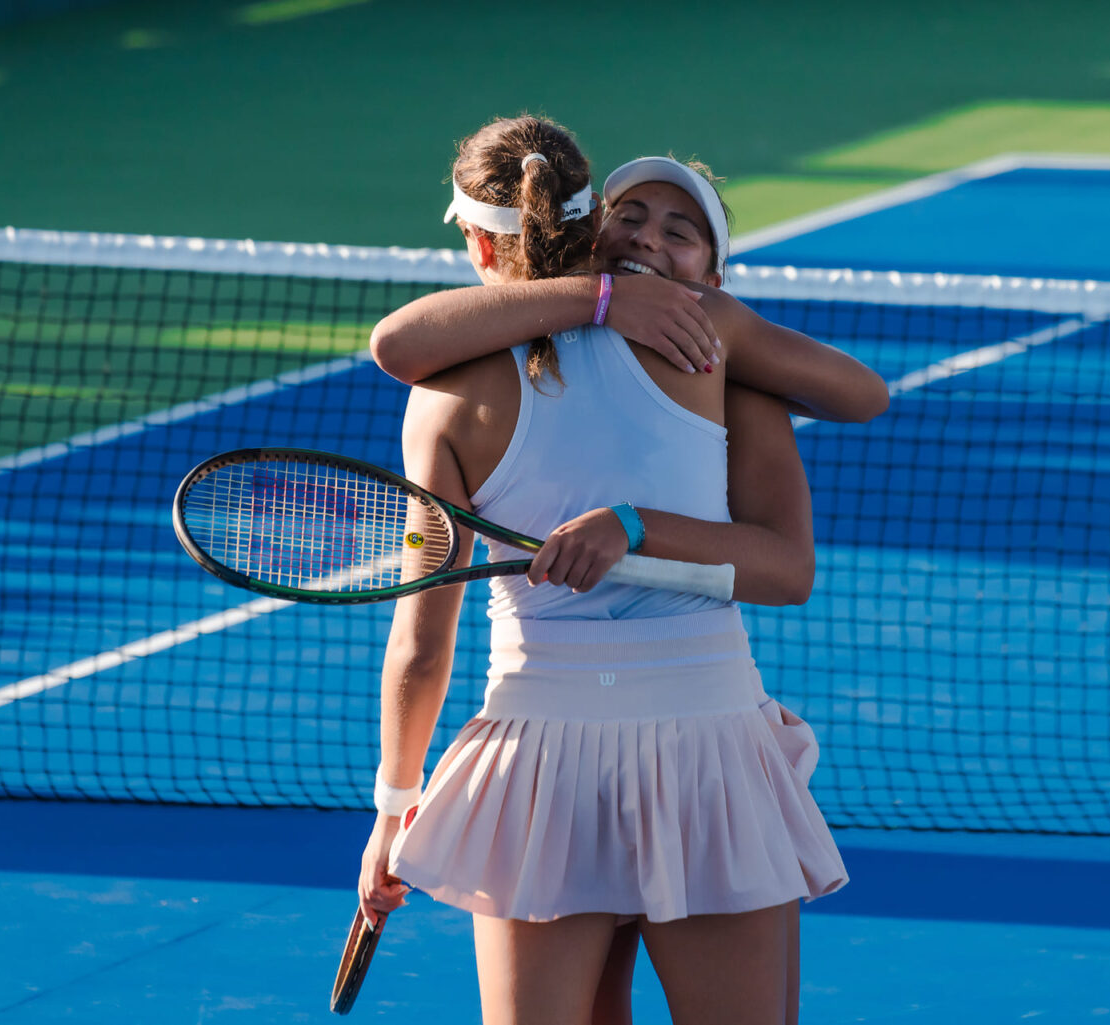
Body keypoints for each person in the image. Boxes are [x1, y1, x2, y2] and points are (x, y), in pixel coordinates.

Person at [357, 115, 871, 1025]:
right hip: (708, 749)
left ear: (476, 239)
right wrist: (606, 301)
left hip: (537, 766)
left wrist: (393, 809)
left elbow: (419, 646)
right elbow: (850, 421)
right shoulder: (712, 343)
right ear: (591, 220)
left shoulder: (440, 396)